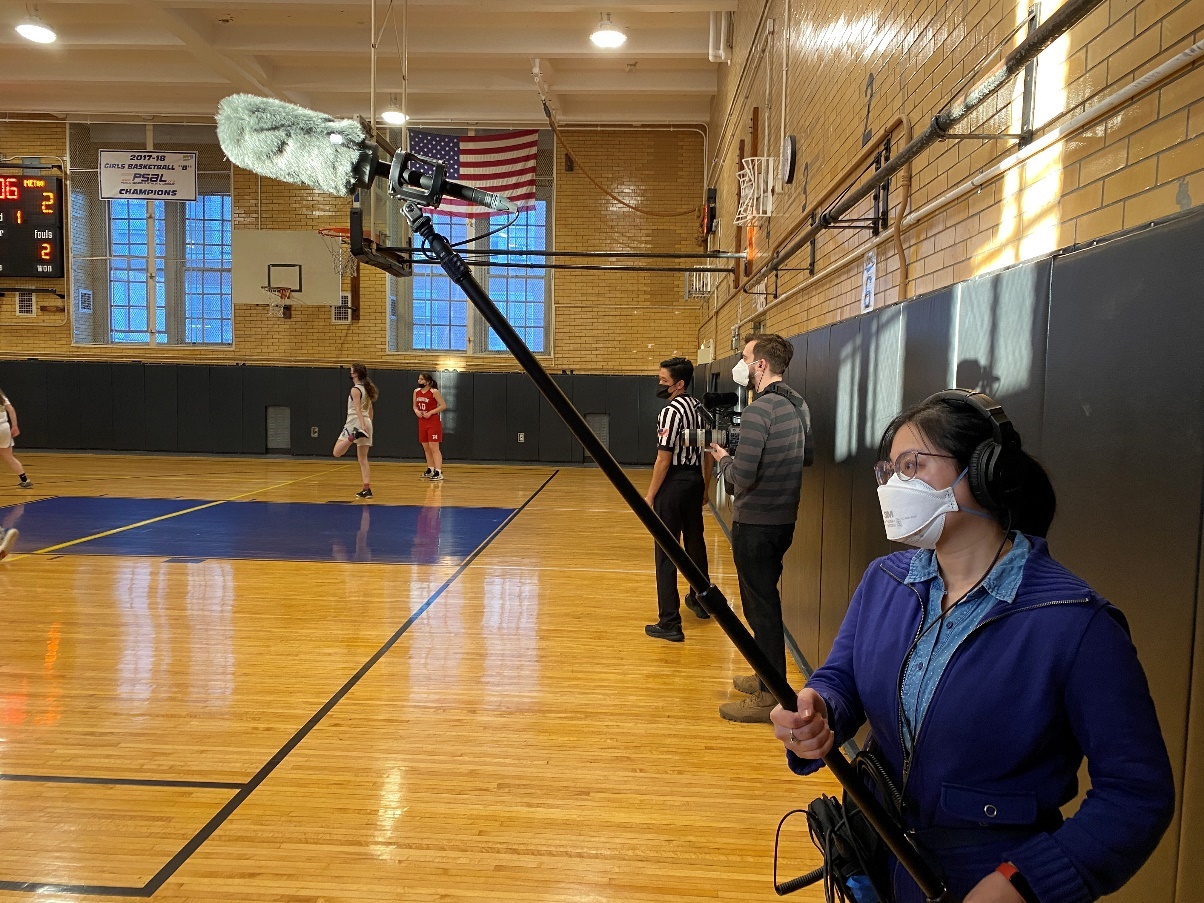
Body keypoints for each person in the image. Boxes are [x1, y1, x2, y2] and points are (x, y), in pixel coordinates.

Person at [771, 389, 1174, 903]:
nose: (894, 487)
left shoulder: (1076, 622)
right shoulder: (884, 580)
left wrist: (1026, 882)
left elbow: (1137, 794)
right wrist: (818, 709)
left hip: (985, 878)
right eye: (889, 472)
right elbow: (842, 679)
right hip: (877, 860)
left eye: (912, 465)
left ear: (985, 474)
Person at [709, 333, 812, 722]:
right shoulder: (797, 404)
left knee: (760, 609)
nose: (742, 364)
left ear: (762, 365)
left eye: (745, 357)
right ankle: (765, 675)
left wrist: (724, 459)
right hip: (784, 520)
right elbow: (807, 456)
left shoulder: (758, 411)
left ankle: (771, 694)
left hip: (755, 524)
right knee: (763, 603)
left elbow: (742, 478)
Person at [644, 356, 710, 643]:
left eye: (664, 380)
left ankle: (669, 621)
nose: (660, 384)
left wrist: (650, 495)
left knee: (666, 551)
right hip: (695, 481)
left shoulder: (670, 412)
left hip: (673, 483)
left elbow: (663, 458)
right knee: (695, 544)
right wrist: (705, 487)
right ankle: (701, 600)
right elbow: (709, 453)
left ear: (679, 384)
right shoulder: (699, 408)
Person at [332, 363, 378, 499]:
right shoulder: (367, 389)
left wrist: (361, 426)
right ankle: (366, 489)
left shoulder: (355, 389)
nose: (350, 372)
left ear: (356, 374)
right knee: (363, 459)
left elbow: (357, 409)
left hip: (355, 423)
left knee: (336, 452)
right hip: (367, 423)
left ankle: (352, 436)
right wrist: (368, 425)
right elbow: (370, 410)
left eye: (351, 371)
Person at [413, 372, 447, 482]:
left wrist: (431, 412)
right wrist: (416, 411)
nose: (419, 381)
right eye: (419, 379)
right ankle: (430, 468)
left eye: (421, 379)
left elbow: (443, 406)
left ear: (427, 382)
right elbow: (414, 406)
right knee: (426, 447)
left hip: (433, 422)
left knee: (434, 447)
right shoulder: (416, 391)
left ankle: (438, 471)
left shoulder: (434, 391)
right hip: (422, 421)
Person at [0, 388, 33, 490]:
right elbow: (11, 410)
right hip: (4, 428)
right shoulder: (1, 397)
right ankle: (24, 480)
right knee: (8, 456)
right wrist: (14, 426)